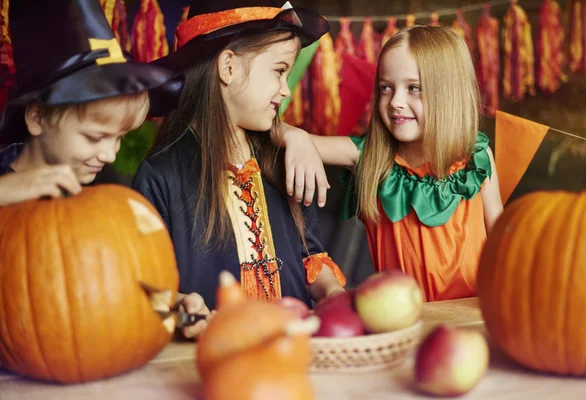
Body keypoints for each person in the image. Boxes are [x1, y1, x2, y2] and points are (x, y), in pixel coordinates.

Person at [132, 0, 347, 337]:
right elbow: (141, 290)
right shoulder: (161, 177)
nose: (285, 90)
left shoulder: (285, 161)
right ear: (228, 67)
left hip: (295, 351)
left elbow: (311, 256)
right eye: (279, 71)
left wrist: (334, 295)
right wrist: (181, 310)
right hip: (208, 366)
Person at [278, 25, 504, 302]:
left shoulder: (477, 157)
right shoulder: (369, 155)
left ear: (448, 93)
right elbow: (269, 131)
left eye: (414, 88)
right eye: (386, 87)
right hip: (400, 323)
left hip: (473, 317)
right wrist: (295, 135)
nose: (395, 101)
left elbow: (504, 242)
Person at [0, 0, 181, 206]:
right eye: (94, 138)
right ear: (37, 117)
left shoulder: (93, 197)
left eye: (118, 137)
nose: (110, 155)